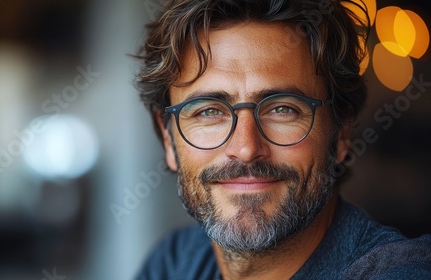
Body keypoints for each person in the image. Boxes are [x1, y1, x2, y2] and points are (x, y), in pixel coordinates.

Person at [134, 0, 431, 279]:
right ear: (168, 137)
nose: (247, 149)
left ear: (342, 131)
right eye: (209, 111)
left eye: (282, 109)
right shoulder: (173, 263)